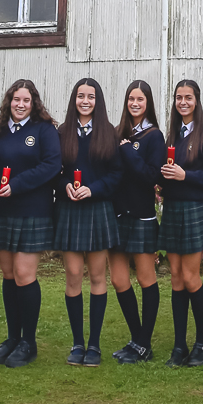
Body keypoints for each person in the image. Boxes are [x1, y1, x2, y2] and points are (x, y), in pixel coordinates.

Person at [0, 79, 61, 369]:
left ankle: (29, 342)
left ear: (34, 103)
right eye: (16, 99)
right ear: (9, 101)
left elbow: (52, 165)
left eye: (26, 100)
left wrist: (16, 185)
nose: (21, 104)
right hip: (3, 213)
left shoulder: (45, 130)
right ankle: (13, 338)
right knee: (8, 275)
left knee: (24, 275)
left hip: (32, 212)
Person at [55, 78, 122, 367]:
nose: (85, 101)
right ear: (74, 99)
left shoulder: (108, 132)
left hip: (97, 208)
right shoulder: (62, 132)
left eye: (91, 96)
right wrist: (65, 186)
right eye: (80, 96)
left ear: (98, 101)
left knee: (97, 277)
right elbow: (54, 171)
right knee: (73, 275)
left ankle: (93, 344)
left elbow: (116, 174)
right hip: (69, 209)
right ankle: (77, 343)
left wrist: (92, 189)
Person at [159, 79, 203, 368]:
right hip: (173, 208)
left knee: (190, 277)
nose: (183, 102)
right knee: (175, 276)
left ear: (196, 100)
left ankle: (202, 342)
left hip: (195, 208)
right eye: (178, 97)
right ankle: (179, 345)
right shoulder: (172, 134)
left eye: (188, 97)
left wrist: (186, 176)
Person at [110, 81, 164, 364]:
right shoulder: (117, 133)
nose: (134, 103)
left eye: (140, 99)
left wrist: (130, 152)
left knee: (145, 279)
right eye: (131, 98)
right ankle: (136, 339)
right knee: (119, 280)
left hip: (142, 215)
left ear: (147, 103)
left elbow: (151, 176)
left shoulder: (154, 136)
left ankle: (144, 344)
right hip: (117, 215)